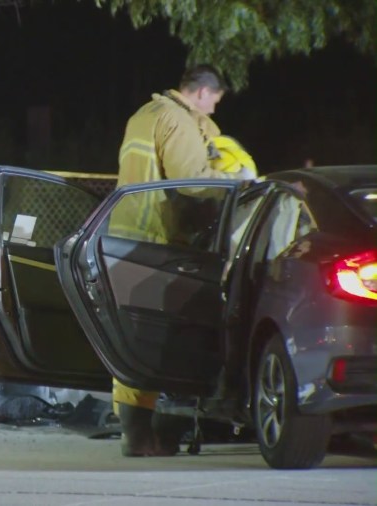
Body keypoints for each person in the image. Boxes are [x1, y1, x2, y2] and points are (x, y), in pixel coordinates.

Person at [113, 64, 254, 457]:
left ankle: (139, 436)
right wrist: (236, 180)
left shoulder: (146, 115)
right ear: (202, 92)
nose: (212, 112)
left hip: (126, 234)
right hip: (155, 239)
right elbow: (191, 179)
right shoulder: (178, 121)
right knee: (156, 341)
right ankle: (141, 439)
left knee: (135, 339)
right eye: (214, 103)